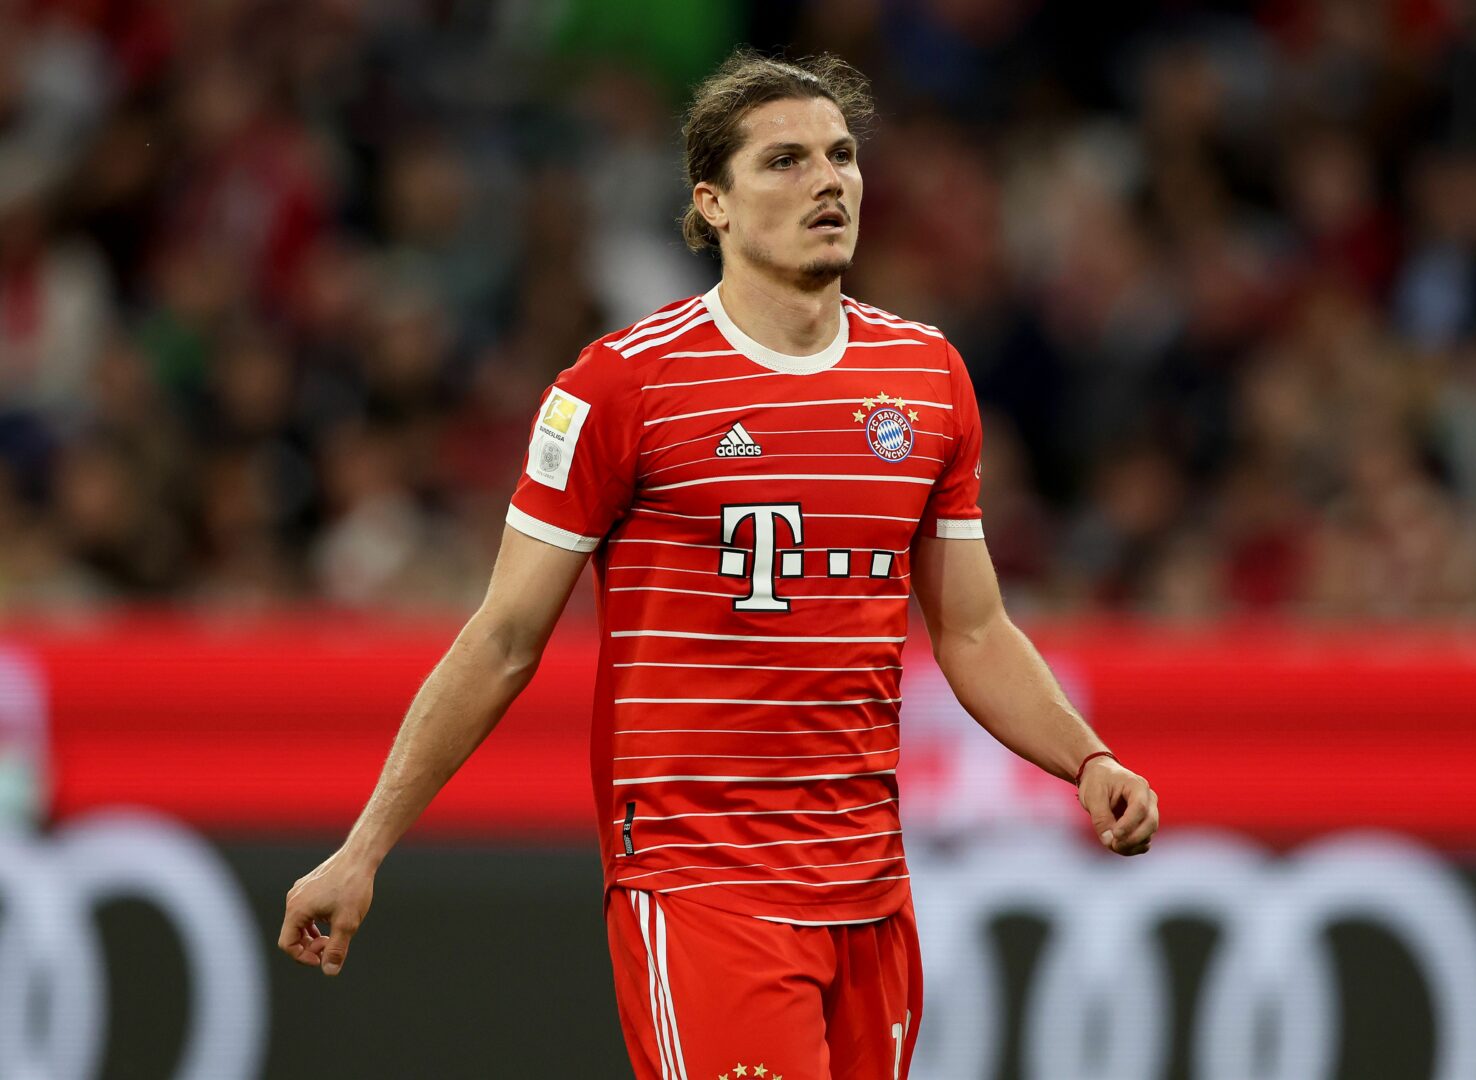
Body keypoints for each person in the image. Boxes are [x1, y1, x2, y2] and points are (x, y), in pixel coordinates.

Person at [278, 50, 1159, 1079]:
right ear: (714, 204)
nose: (828, 181)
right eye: (785, 160)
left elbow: (971, 629)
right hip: (702, 886)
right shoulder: (621, 386)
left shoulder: (925, 378)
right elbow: (506, 637)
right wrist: (364, 847)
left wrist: (1087, 760)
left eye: (841, 155)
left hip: (870, 891)